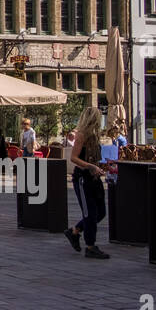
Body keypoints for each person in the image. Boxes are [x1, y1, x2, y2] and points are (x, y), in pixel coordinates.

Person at [63, 107, 110, 259]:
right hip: (83, 177)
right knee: (90, 213)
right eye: (98, 117)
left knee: (101, 212)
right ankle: (90, 246)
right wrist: (90, 166)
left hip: (94, 177)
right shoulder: (81, 135)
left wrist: (100, 167)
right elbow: (74, 158)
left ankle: (75, 231)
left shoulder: (95, 136)